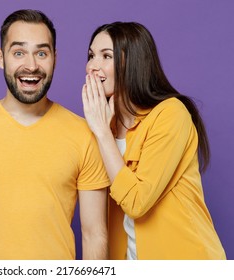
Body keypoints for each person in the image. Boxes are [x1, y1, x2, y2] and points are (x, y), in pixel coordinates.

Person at [0, 9, 110, 260]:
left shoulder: (83, 134)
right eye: (18, 53)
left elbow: (94, 234)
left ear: (55, 58)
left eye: (41, 53)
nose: (31, 65)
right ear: (0, 58)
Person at [82, 21, 226, 259]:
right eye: (91, 55)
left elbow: (137, 202)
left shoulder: (170, 114)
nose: (92, 66)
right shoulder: (104, 126)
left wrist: (102, 133)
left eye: (106, 56)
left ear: (133, 63)